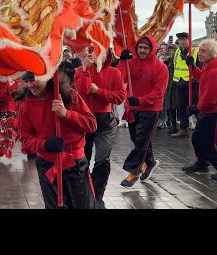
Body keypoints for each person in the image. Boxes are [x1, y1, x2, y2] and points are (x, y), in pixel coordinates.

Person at [17, 70, 99, 209]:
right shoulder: (25, 105)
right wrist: (45, 145)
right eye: (26, 81)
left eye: (33, 79)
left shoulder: (68, 95)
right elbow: (25, 138)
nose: (30, 85)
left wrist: (67, 114)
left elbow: (91, 124)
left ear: (46, 76)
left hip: (74, 164)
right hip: (46, 165)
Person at [73, 47, 126, 205]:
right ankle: (85, 191)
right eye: (92, 51)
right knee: (83, 159)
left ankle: (97, 195)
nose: (95, 55)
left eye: (100, 52)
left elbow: (120, 97)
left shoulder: (114, 72)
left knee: (102, 158)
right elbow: (82, 90)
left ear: (107, 54)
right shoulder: (79, 70)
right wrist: (85, 69)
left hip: (105, 121)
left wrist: (99, 91)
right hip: (84, 119)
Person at [117, 35, 169, 187]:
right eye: (140, 47)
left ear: (152, 49)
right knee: (138, 139)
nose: (142, 50)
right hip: (133, 108)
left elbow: (158, 92)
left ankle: (134, 172)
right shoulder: (131, 63)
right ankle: (150, 162)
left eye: (146, 48)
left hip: (150, 109)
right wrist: (122, 61)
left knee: (142, 141)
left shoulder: (161, 68)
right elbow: (120, 78)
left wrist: (140, 100)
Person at [181, 39, 217, 178]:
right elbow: (202, 78)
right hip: (207, 111)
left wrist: (196, 108)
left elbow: (210, 97)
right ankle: (202, 163)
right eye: (200, 50)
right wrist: (193, 67)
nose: (200, 54)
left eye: (204, 51)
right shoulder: (208, 67)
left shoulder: (214, 70)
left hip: (212, 112)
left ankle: (209, 163)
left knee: (209, 143)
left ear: (212, 53)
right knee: (197, 138)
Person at [170, 32, 201, 138]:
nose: (182, 42)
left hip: (191, 83)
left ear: (189, 40)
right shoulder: (177, 52)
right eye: (180, 40)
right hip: (179, 83)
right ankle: (183, 129)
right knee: (181, 107)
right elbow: (173, 67)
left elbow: (200, 68)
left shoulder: (195, 52)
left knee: (196, 106)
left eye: (184, 39)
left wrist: (193, 65)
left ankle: (201, 128)